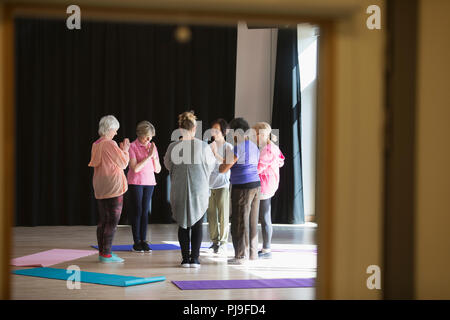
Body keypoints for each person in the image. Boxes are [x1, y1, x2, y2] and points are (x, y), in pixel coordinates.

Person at [164, 111, 216, 268]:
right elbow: (210, 166)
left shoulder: (173, 146)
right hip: (198, 190)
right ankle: (195, 258)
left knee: (182, 224)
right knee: (197, 224)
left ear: (180, 129)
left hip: (179, 189)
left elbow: (167, 165)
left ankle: (185, 258)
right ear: (195, 128)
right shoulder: (203, 146)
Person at [219, 117, 261, 265]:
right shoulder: (254, 146)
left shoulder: (237, 148)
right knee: (252, 221)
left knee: (239, 221)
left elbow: (222, 169)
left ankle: (241, 256)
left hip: (243, 187)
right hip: (256, 185)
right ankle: (252, 254)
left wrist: (222, 159)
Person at [88, 115, 130, 263]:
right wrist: (125, 150)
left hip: (100, 185)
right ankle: (106, 255)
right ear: (110, 128)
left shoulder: (96, 143)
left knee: (103, 221)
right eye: (115, 130)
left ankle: (103, 253)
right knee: (112, 221)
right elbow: (124, 163)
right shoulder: (109, 143)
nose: (116, 133)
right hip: (113, 185)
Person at [127, 121, 161, 253]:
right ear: (140, 134)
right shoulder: (132, 146)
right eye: (147, 136)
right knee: (137, 210)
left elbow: (157, 170)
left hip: (149, 182)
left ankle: (144, 240)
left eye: (151, 137)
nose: (149, 139)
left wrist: (154, 158)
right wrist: (148, 156)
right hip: (136, 182)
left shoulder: (152, 146)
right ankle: (136, 242)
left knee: (145, 211)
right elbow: (135, 168)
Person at [252, 122, 285, 259]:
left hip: (265, 185)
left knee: (264, 217)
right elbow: (281, 161)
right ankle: (265, 248)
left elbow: (259, 168)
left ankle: (266, 249)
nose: (254, 137)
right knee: (264, 217)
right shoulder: (270, 147)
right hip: (268, 183)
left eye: (256, 134)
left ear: (263, 134)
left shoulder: (268, 149)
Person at [207, 119, 233, 255]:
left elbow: (228, 163)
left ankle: (223, 243)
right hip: (209, 185)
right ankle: (214, 241)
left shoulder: (228, 147)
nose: (214, 133)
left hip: (222, 184)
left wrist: (215, 153)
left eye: (217, 130)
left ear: (223, 132)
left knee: (223, 215)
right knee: (211, 215)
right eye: (213, 130)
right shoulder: (209, 146)